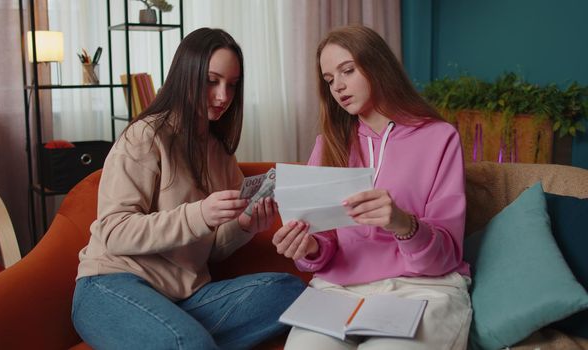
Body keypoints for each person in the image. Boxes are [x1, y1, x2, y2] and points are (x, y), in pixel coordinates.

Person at [72, 27, 305, 350]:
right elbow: (114, 231)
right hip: (112, 285)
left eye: (232, 85)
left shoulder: (221, 154)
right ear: (186, 75)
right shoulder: (144, 136)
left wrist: (244, 226)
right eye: (212, 81)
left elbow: (212, 250)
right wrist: (200, 213)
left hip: (186, 298)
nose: (223, 96)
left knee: (289, 292)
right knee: (188, 342)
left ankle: (167, 336)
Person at [272, 25, 472, 350]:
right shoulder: (328, 145)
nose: (338, 86)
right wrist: (308, 247)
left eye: (347, 71)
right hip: (340, 290)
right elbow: (323, 244)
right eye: (328, 79)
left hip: (421, 287)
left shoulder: (439, 138)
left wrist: (403, 224)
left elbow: (446, 255)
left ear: (377, 65)